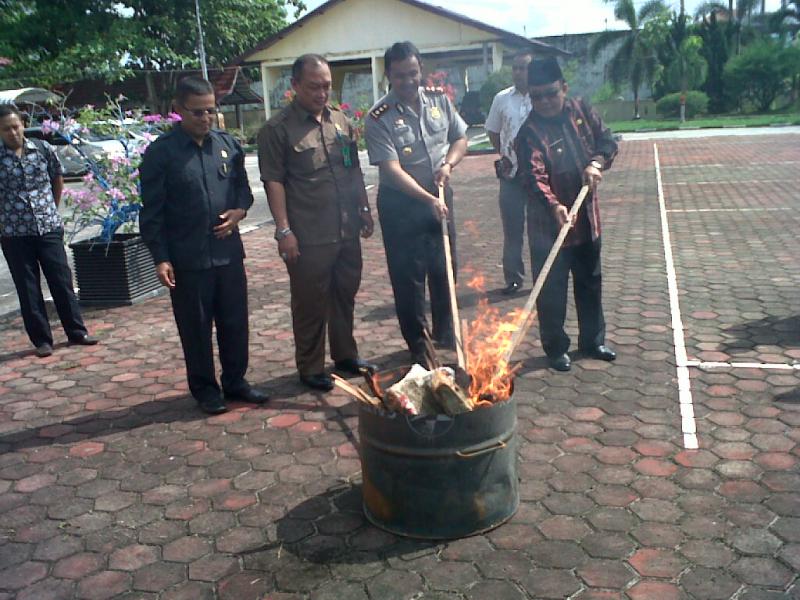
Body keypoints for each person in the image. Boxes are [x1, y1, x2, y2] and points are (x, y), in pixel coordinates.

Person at [139, 76, 268, 414]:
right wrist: (160, 257)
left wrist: (239, 212)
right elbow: (151, 211)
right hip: (188, 259)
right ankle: (205, 390)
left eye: (211, 110)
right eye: (197, 112)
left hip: (227, 255)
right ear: (179, 110)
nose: (206, 118)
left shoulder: (227, 145)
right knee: (195, 329)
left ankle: (236, 381)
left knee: (235, 323)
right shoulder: (161, 154)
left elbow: (244, 192)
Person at [258, 54, 376, 392]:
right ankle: (310, 367)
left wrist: (364, 209)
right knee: (310, 303)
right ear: (295, 85)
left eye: (326, 86)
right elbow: (274, 182)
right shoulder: (277, 129)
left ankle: (345, 356)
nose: (322, 93)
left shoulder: (340, 122)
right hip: (309, 234)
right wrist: (284, 231)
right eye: (314, 87)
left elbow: (353, 169)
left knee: (344, 295)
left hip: (345, 228)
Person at [364, 41, 468, 364]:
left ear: (420, 69)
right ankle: (420, 346)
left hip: (439, 191)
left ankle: (445, 334)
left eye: (413, 73)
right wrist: (426, 199)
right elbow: (391, 171)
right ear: (388, 76)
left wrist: (448, 164)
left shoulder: (439, 99)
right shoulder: (378, 116)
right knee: (409, 277)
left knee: (445, 267)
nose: (408, 82)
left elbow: (460, 138)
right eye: (400, 76)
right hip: (401, 203)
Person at [515, 56, 619, 372]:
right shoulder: (528, 132)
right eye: (536, 96)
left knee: (590, 283)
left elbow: (608, 140)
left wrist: (597, 162)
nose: (544, 101)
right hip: (549, 230)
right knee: (551, 292)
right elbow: (533, 177)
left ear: (564, 87)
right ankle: (556, 348)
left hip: (587, 221)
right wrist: (555, 206)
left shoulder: (582, 112)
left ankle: (593, 340)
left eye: (550, 93)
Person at [0, 104, 98, 358]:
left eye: (15, 126)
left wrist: (51, 208)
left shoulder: (42, 149)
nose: (12, 133)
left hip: (48, 226)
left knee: (61, 280)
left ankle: (77, 331)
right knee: (28, 287)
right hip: (14, 233)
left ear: (22, 124)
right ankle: (42, 340)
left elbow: (57, 178)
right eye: (5, 129)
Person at [485, 51, 533, 296]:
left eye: (523, 68)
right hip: (511, 175)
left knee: (541, 228)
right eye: (514, 68)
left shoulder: (542, 96)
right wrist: (504, 153)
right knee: (512, 230)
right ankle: (513, 278)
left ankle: (545, 277)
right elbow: (493, 131)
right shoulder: (501, 99)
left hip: (540, 177)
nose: (517, 72)